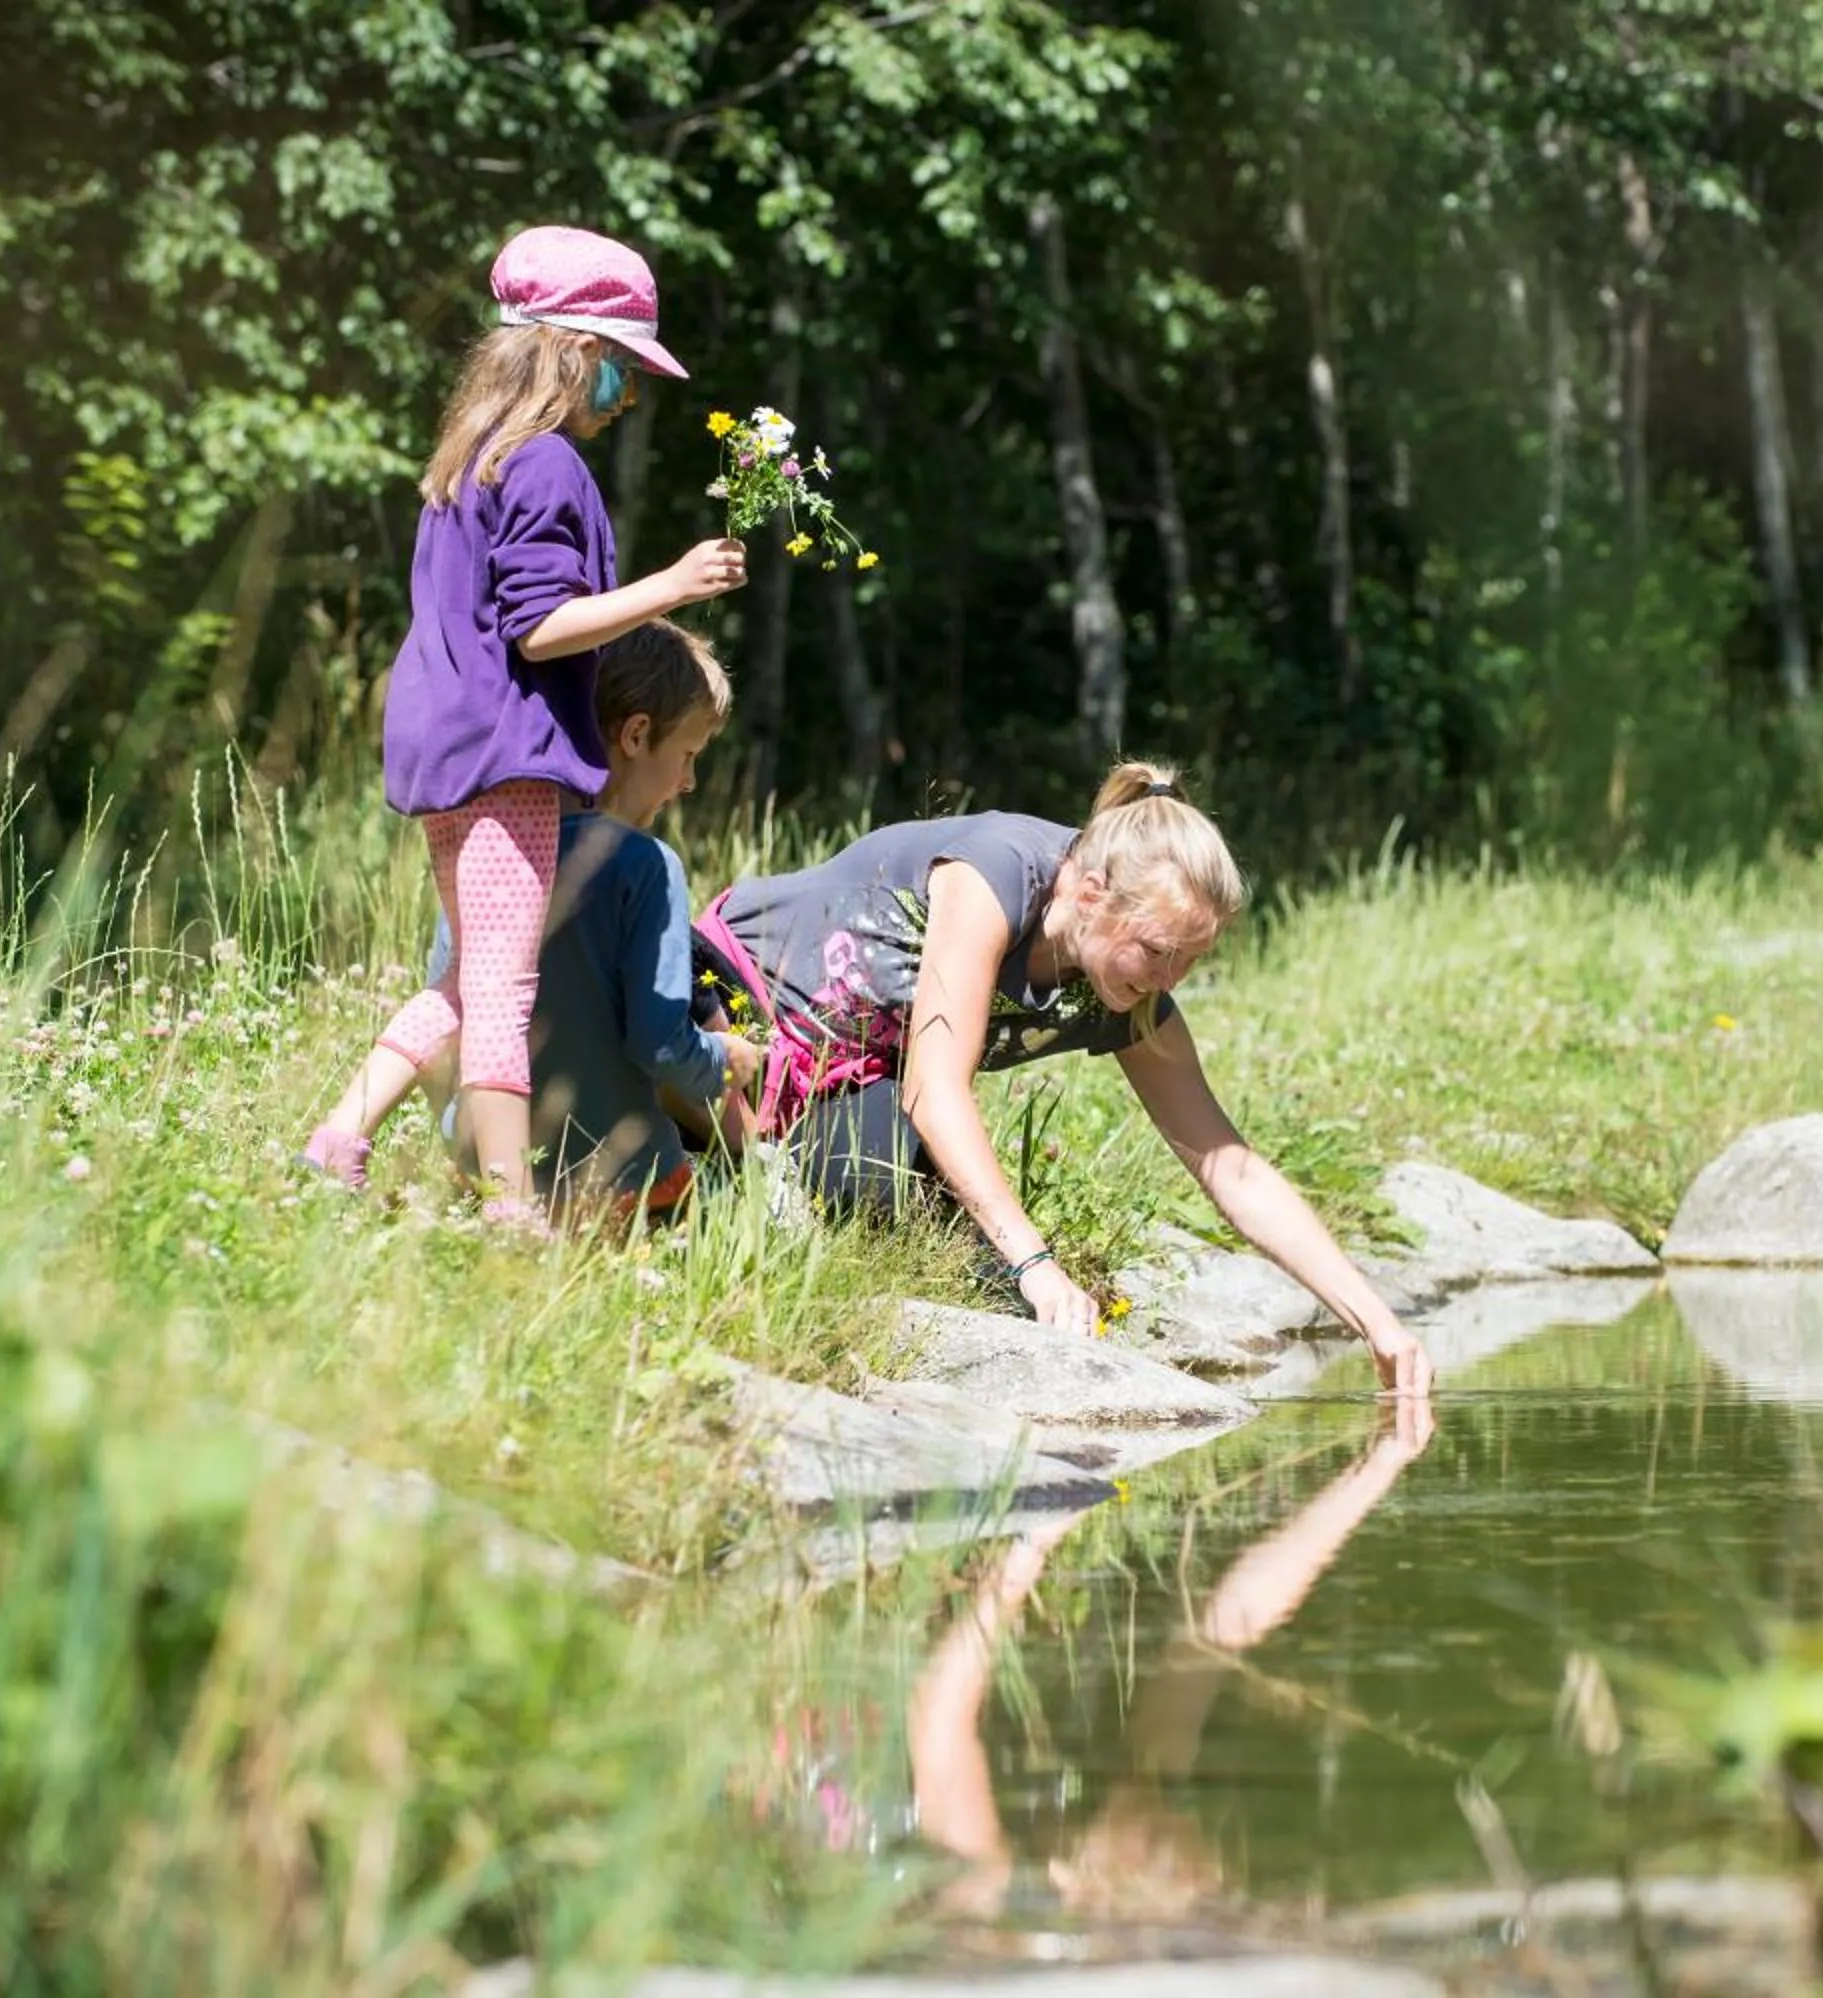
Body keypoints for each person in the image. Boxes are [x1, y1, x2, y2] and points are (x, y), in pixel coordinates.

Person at [692, 765, 1435, 1397]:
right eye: (1157, 951)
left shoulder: (1121, 987)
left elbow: (1228, 1167)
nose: (1168, 980)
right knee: (940, 1219)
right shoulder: (995, 872)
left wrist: (1380, 1325)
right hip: (726, 1013)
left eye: (1190, 961)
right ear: (1089, 893)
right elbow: (934, 1087)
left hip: (845, 1088)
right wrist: (1041, 1264)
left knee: (976, 1272)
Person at [299, 223, 748, 1228]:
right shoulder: (544, 466)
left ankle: (339, 1140)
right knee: (505, 991)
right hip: (505, 758)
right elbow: (541, 628)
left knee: (467, 979)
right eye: (622, 368)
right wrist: (669, 585)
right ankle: (511, 1213)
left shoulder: (471, 460)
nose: (627, 395)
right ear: (574, 351)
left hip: (445, 750)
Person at [904, 1399, 1436, 1919]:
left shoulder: (988, 1888)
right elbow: (1216, 1637)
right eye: (1175, 1829)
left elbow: (936, 1719)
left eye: (1151, 1850)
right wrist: (1376, 1468)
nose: (1169, 1822)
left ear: (1089, 1897)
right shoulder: (1137, 1791)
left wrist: (1030, 1548)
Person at [413, 620, 765, 1228]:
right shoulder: (648, 867)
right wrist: (726, 1058)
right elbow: (658, 1043)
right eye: (688, 755)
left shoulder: (492, 848)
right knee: (749, 1205)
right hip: (628, 1192)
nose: (688, 782)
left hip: (488, 1181)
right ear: (636, 734)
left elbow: (439, 1039)